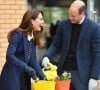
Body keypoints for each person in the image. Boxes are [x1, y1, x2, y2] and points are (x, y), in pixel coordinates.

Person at [42, 0, 100, 90]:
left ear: (82, 14)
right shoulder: (63, 25)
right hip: (63, 71)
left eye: (74, 16)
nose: (70, 18)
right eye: (69, 15)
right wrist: (47, 56)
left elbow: (97, 54)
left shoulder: (94, 28)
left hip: (82, 75)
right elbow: (55, 44)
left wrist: (94, 77)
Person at [0, 9, 45, 90]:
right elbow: (9, 56)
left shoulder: (33, 38)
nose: (43, 22)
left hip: (24, 78)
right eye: (40, 19)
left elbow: (33, 60)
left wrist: (42, 76)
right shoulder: (17, 34)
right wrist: (26, 67)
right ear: (31, 21)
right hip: (12, 76)